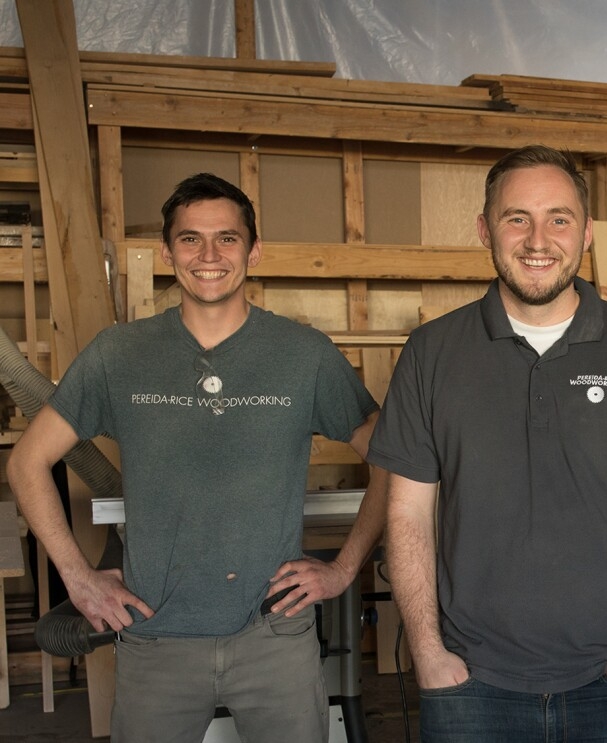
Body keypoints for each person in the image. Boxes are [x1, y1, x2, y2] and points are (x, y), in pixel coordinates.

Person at [8, 172, 387, 743]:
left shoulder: (303, 355)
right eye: (190, 239)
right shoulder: (120, 353)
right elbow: (25, 463)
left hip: (274, 637)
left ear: (252, 250)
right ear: (167, 251)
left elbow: (392, 456)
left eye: (227, 238)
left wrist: (345, 566)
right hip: (155, 639)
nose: (209, 255)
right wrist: (76, 577)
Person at [369, 144, 607, 742]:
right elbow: (406, 513)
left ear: (586, 235)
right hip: (470, 683)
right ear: (484, 230)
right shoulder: (431, 353)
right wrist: (427, 651)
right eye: (516, 218)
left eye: (559, 219)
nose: (538, 239)